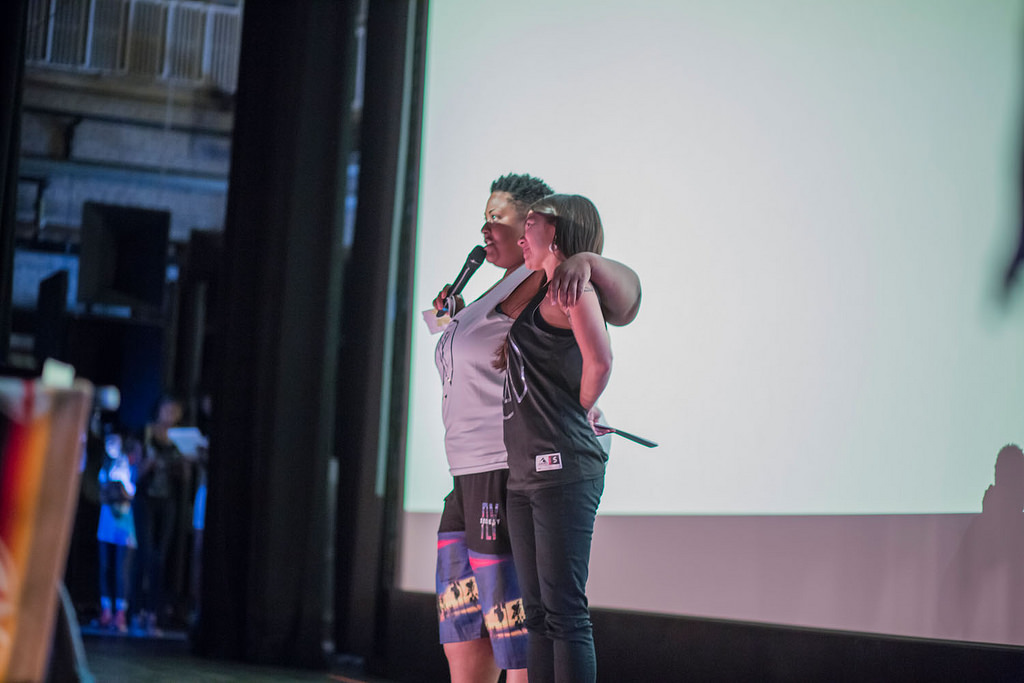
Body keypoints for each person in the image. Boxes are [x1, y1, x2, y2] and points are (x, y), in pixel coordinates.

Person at [432, 174, 640, 683]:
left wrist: (586, 260)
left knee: (544, 622)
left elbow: (625, 306)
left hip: (511, 463)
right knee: (502, 623)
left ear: (548, 227)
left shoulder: (560, 279)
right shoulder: (498, 290)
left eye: (504, 218)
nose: (492, 229)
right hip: (483, 469)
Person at [499, 194, 618, 682]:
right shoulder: (540, 293)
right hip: (525, 474)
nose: (523, 234)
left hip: (563, 469)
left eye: (533, 223)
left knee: (565, 614)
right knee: (538, 615)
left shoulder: (575, 289)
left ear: (560, 231)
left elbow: (601, 360)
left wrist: (583, 406)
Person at [132, 394, 186, 636]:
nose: (171, 414)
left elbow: (184, 477)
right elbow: (134, 473)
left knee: (160, 557)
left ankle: (154, 613)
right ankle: (136, 610)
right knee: (144, 554)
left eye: (176, 411)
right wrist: (148, 464)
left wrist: (184, 463)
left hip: (168, 502)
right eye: (168, 409)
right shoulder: (145, 434)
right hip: (146, 500)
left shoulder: (179, 440)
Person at [94, 432, 140, 633]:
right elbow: (100, 490)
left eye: (115, 441)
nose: (111, 445)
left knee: (122, 569)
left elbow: (131, 490)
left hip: (124, 522)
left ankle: (121, 613)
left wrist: (121, 489)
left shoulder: (127, 463)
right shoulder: (104, 465)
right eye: (109, 441)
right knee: (105, 567)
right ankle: (107, 610)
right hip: (106, 522)